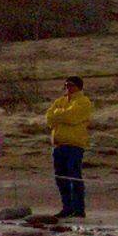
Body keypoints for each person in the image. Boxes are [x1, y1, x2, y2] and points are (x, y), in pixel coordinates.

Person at [46, 76, 94, 219]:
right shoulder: (59, 101)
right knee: (60, 178)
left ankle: (78, 209)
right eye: (66, 85)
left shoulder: (84, 102)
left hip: (74, 145)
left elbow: (72, 117)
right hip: (58, 145)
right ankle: (67, 207)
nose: (68, 88)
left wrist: (59, 114)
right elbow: (49, 118)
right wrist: (61, 115)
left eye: (71, 85)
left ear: (79, 86)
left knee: (74, 177)